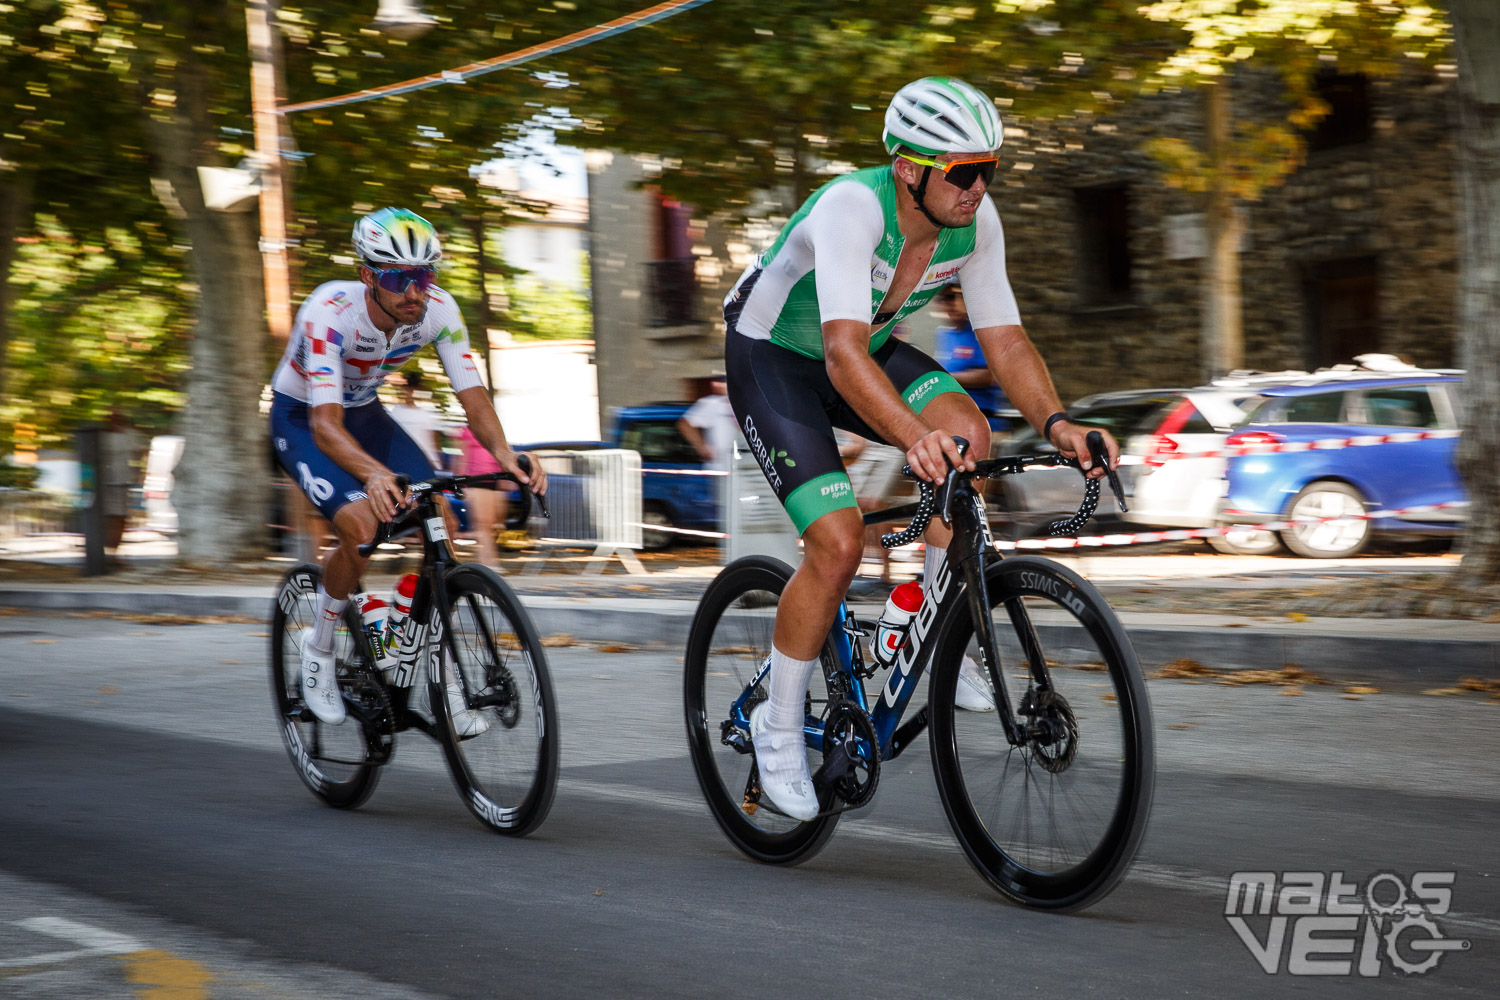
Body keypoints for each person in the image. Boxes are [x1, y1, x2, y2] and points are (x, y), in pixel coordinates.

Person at [721, 76, 1119, 820]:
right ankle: (778, 730)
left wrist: (1061, 424)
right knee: (837, 545)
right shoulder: (852, 206)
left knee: (971, 433)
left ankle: (937, 630)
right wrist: (913, 437)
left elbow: (1005, 337)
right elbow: (839, 354)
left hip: (861, 352)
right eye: (963, 172)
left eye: (989, 170)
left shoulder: (975, 221)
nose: (979, 188)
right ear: (909, 168)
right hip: (775, 359)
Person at [268, 207, 546, 731]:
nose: (414, 292)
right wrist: (373, 476)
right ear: (368, 275)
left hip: (367, 413)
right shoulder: (330, 312)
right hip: (304, 418)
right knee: (363, 525)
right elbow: (326, 426)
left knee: (440, 515)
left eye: (424, 276)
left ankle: (422, 652)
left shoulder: (439, 310)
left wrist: (508, 455)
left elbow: (474, 397)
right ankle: (320, 648)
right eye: (399, 279)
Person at [932, 281, 1012, 436]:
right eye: (941, 299)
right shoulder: (944, 334)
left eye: (952, 297)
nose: (948, 304)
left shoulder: (980, 333)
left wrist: (944, 379)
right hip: (954, 425)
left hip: (986, 425)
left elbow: (988, 376)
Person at [455, 423, 508, 567]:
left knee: (491, 525)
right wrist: (461, 482)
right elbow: (463, 456)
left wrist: (504, 481)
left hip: (493, 480)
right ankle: (487, 563)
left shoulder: (493, 430)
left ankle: (488, 561)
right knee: (482, 524)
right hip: (476, 480)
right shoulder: (468, 430)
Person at [387, 369, 447, 470]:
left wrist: (435, 461)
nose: (410, 393)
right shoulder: (394, 412)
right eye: (408, 390)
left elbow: (435, 442)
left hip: (424, 461)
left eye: (412, 390)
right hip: (401, 460)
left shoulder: (426, 414)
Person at [677, 373, 737, 470]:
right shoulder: (713, 404)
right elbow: (685, 424)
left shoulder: (742, 406)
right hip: (719, 469)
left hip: (742, 468)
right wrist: (702, 448)